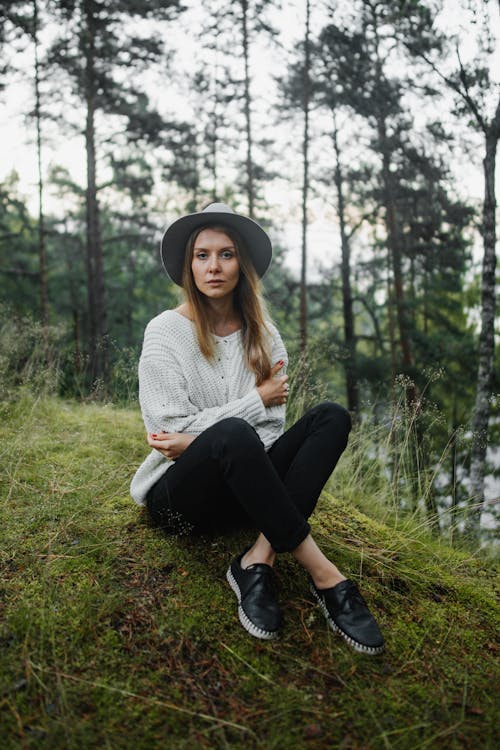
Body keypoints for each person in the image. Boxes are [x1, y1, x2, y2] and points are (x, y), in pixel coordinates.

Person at [130, 202, 384, 655]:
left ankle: (257, 557)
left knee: (331, 416)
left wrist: (202, 439)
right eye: (202, 255)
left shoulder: (263, 333)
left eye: (226, 254)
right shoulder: (165, 332)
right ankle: (326, 576)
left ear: (241, 263)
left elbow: (268, 430)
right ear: (189, 265)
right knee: (234, 433)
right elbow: (166, 430)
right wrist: (252, 403)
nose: (214, 267)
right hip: (180, 501)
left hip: (245, 493)